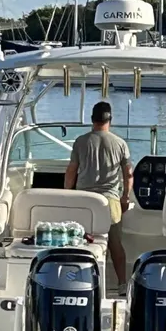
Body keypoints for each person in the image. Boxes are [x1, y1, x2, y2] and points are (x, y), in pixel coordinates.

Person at [65, 101, 133, 292]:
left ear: (92, 119)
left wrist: (67, 194)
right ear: (110, 119)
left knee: (81, 242)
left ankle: (79, 282)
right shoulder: (120, 143)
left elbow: (72, 171)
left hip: (84, 201)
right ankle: (121, 284)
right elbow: (128, 174)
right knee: (115, 244)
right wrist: (125, 197)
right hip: (109, 201)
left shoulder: (80, 141)